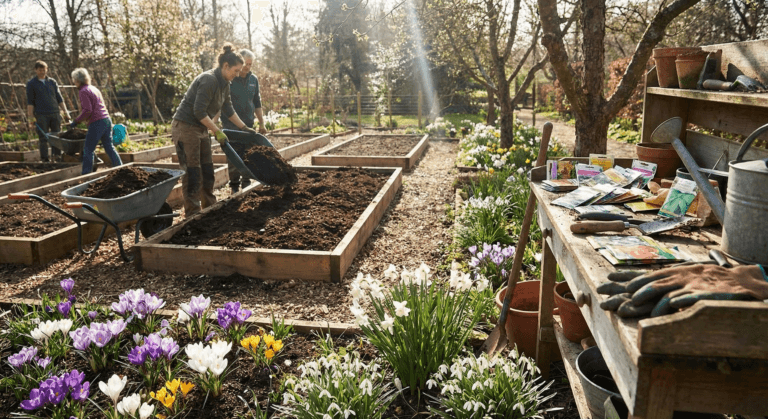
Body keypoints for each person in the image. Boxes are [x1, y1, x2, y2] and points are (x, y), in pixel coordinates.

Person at [172, 43, 256, 216]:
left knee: (207, 170)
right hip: (186, 127)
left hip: (201, 127)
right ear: (226, 66)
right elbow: (198, 111)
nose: (237, 74)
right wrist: (217, 130)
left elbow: (228, 109)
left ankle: (209, 208)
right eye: (236, 70)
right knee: (193, 172)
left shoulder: (225, 83)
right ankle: (193, 214)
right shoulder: (209, 80)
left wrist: (244, 127)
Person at [221, 49, 267, 193]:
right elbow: (222, 103)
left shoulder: (253, 80)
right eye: (246, 64)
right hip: (231, 125)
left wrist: (261, 123)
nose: (247, 67)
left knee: (248, 155)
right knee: (233, 157)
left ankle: (246, 184)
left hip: (248, 124)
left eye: (250, 64)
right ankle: (234, 187)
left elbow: (257, 102)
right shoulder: (230, 79)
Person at [69, 68, 123, 175]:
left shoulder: (83, 91)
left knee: (88, 149)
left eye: (74, 80)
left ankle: (86, 174)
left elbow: (87, 110)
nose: (74, 82)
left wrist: (76, 121)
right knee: (109, 146)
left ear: (78, 80)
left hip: (97, 122)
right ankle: (121, 168)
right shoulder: (93, 88)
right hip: (106, 120)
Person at [26, 60, 71, 162]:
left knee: (57, 136)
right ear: (35, 70)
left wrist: (65, 111)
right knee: (43, 137)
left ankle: (57, 157)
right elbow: (30, 101)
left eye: (44, 70)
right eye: (40, 70)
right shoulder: (31, 83)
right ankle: (45, 159)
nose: (42, 72)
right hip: (41, 114)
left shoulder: (52, 82)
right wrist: (30, 117)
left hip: (55, 113)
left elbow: (59, 98)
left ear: (47, 69)